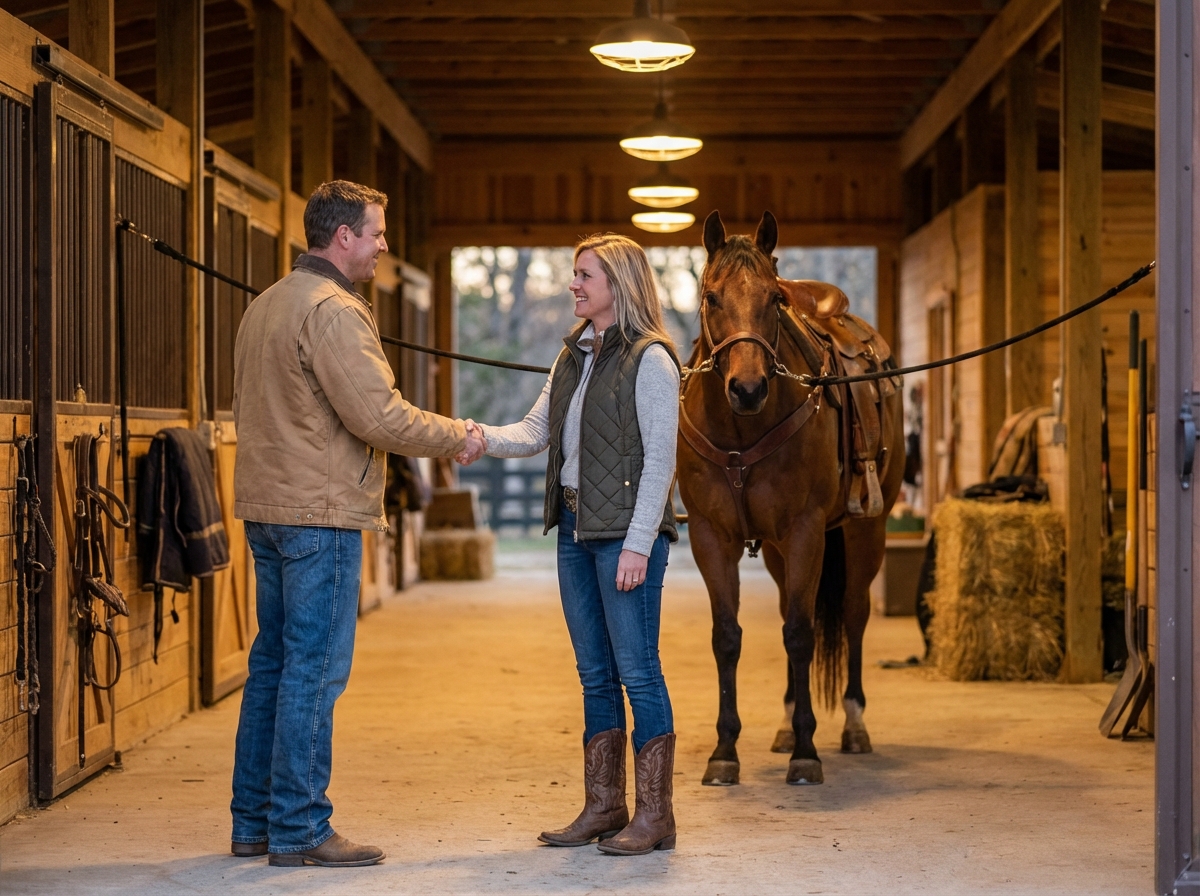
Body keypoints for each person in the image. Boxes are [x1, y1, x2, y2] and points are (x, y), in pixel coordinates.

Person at [230, 180, 484, 867]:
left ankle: (253, 821)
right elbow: (380, 416)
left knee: (273, 666)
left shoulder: (266, 305)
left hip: (268, 509)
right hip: (320, 515)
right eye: (375, 233)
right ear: (342, 236)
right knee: (313, 672)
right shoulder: (335, 311)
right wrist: (456, 434)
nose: (382, 247)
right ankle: (302, 828)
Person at [460, 233, 681, 855]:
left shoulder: (652, 360)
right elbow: (534, 430)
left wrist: (639, 544)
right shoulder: (573, 356)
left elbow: (662, 459)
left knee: (639, 673)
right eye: (573, 275)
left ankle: (656, 816)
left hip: (623, 541)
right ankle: (605, 805)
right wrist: (477, 435)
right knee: (594, 676)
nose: (573, 285)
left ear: (619, 283)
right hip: (577, 532)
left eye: (584, 275)